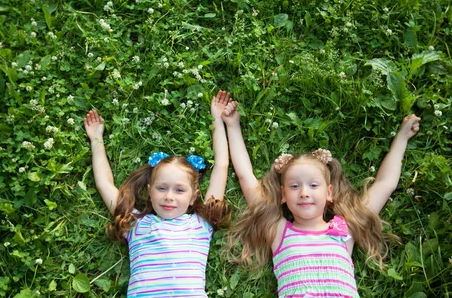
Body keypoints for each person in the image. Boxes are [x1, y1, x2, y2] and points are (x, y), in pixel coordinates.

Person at [222, 101, 420, 298]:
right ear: (283, 195)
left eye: (314, 185)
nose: (304, 193)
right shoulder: (278, 231)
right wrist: (232, 125)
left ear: (329, 192)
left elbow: (385, 184)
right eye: (294, 186)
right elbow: (246, 177)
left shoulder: (345, 229)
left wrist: (401, 139)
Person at [83, 90, 234, 297]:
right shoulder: (135, 224)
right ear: (149, 192)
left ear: (193, 197)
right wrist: (96, 139)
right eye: (162, 188)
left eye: (179, 190)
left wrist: (217, 119)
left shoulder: (201, 223)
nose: (169, 196)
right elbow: (103, 183)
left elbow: (222, 165)